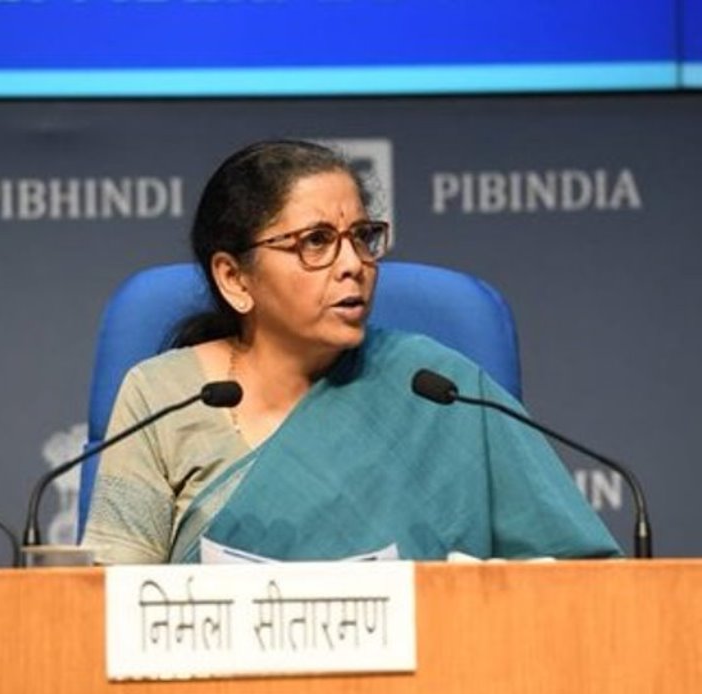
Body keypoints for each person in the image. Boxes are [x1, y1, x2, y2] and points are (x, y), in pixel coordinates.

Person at [81, 139, 622, 564]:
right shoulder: (164, 396)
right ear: (234, 278)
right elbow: (109, 602)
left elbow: (580, 576)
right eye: (316, 241)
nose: (353, 265)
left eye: (362, 237)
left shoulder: (436, 388)